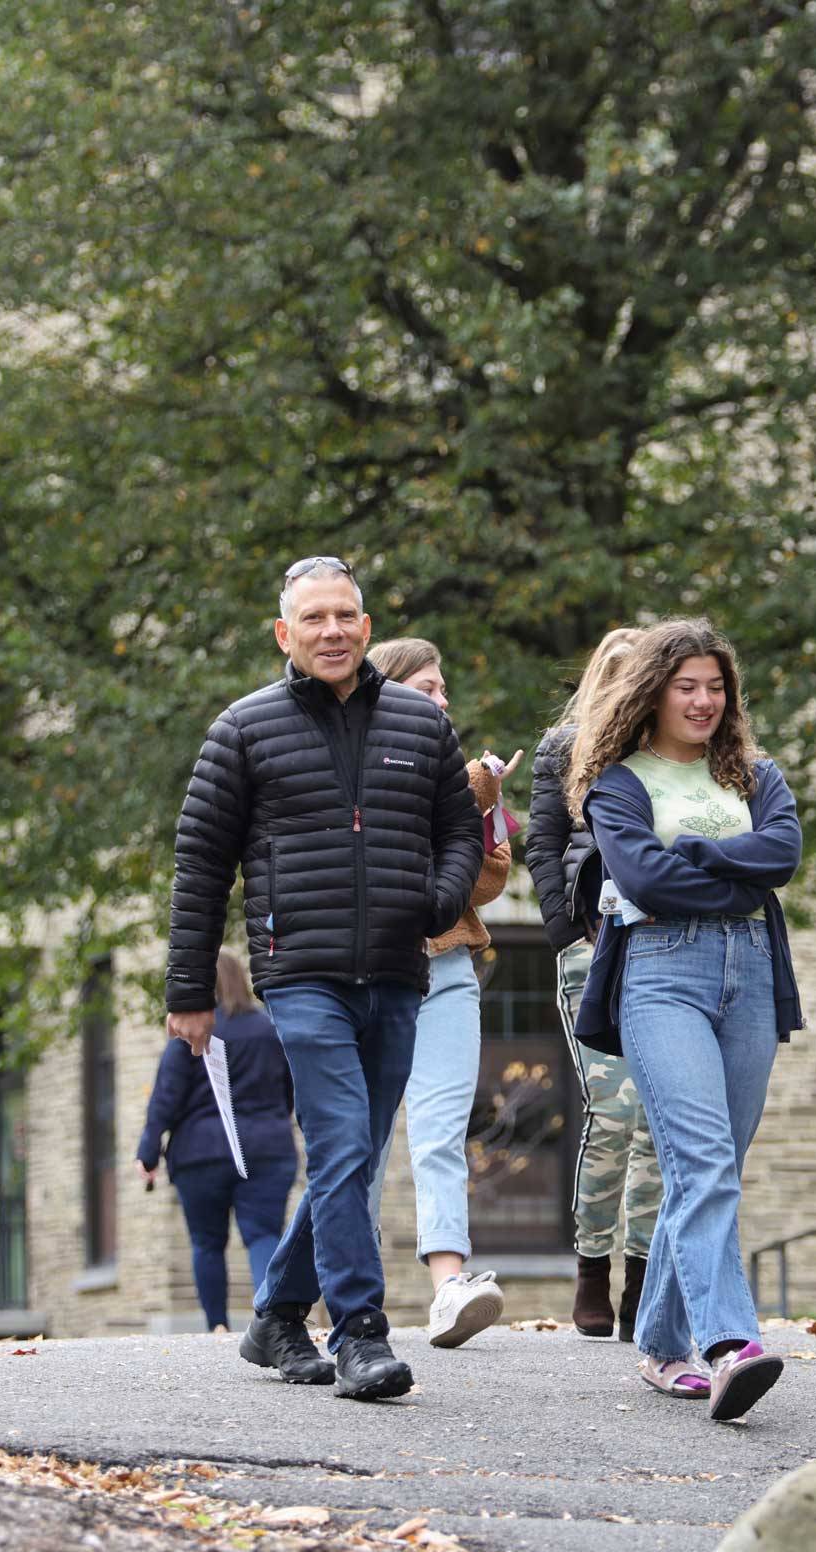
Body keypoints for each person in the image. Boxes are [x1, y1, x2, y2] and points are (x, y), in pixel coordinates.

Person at [165, 555, 482, 1402]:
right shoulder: (244, 728)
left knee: (358, 1150)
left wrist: (438, 898)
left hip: (396, 967)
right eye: (314, 619)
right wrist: (189, 992)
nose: (332, 632)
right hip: (297, 968)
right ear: (285, 633)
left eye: (345, 616)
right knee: (343, 1143)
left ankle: (274, 1318)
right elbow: (200, 865)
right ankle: (359, 1334)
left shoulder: (422, 726)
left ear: (367, 628)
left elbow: (460, 830)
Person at [568, 618, 804, 1422]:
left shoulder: (755, 773)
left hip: (751, 976)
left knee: (712, 1168)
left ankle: (661, 1346)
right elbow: (642, 878)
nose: (704, 700)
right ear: (654, 692)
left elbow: (783, 855)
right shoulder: (617, 783)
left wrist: (695, 862)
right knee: (702, 1160)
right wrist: (730, 873)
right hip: (661, 976)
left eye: (716, 687)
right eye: (686, 686)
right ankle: (731, 1343)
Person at [362, 636, 517, 1350]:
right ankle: (349, 1290)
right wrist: (470, 792)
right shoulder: (359, 764)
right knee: (354, 1142)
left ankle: (449, 1287)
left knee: (441, 1130)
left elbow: (487, 883)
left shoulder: (465, 780)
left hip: (447, 969)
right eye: (428, 688)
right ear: (389, 693)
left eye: (445, 687)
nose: (444, 701)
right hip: (366, 974)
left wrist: (483, 810)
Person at [527, 627, 666, 1341]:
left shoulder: (669, 754)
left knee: (654, 1122)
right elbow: (544, 844)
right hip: (592, 947)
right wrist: (564, 930)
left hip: (661, 950)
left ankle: (641, 1278)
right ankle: (591, 1269)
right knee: (612, 1113)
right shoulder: (563, 747)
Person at [136, 952, 298, 1332]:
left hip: (200, 1151)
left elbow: (166, 1096)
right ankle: (270, 1319)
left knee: (207, 1242)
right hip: (266, 1147)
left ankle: (218, 1326)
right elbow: (289, 1089)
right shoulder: (270, 1029)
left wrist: (148, 1151)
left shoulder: (192, 1031)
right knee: (263, 1235)